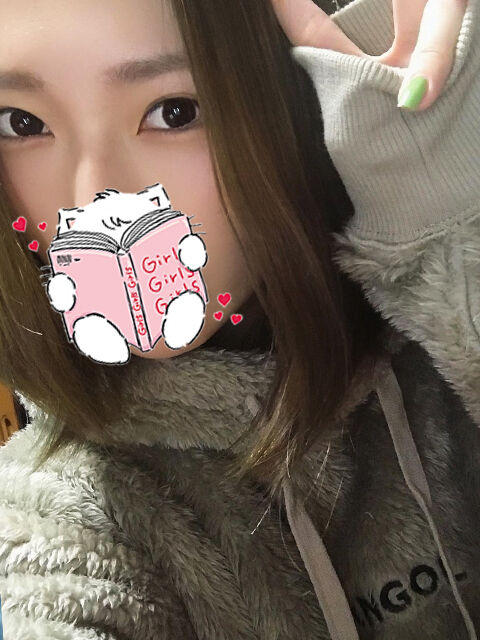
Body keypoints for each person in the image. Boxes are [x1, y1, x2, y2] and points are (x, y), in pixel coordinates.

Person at [0, 0, 477, 637]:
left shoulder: (438, 364)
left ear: (292, 103)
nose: (91, 198)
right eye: (22, 123)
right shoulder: (60, 516)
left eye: (174, 111)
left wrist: (453, 233)